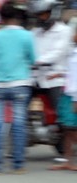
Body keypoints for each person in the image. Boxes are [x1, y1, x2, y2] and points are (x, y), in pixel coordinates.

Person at [0, 1, 36, 174]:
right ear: (18, 17)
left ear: (2, 18)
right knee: (19, 124)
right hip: (20, 83)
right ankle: (18, 165)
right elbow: (33, 59)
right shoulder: (27, 36)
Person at [31, 0, 72, 121]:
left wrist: (38, 61)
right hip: (35, 77)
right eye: (39, 14)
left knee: (61, 114)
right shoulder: (35, 32)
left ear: (53, 13)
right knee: (20, 107)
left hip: (55, 78)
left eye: (44, 14)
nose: (41, 17)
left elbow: (58, 52)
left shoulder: (64, 30)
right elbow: (29, 48)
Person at [50, 28, 77, 171]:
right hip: (68, 93)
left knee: (73, 130)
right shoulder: (74, 52)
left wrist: (75, 100)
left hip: (74, 96)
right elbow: (72, 72)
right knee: (67, 129)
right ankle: (68, 160)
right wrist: (59, 74)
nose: (73, 35)